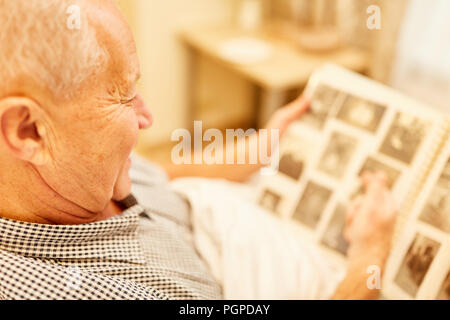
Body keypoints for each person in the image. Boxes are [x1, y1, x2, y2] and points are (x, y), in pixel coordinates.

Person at [0, 0, 397, 300]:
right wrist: (370, 256)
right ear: (28, 130)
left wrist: (254, 151)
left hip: (217, 221)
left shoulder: (74, 169)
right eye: (122, 95)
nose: (147, 115)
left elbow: (156, 175)